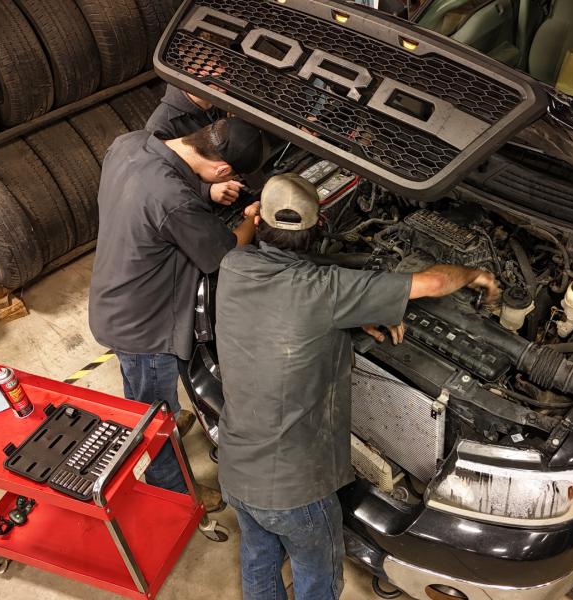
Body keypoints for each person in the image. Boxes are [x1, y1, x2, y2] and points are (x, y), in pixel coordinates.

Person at [214, 174, 500, 598]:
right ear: (318, 226)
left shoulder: (234, 266)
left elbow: (284, 298)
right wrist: (478, 273)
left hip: (236, 471)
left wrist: (350, 313)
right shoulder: (327, 290)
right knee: (319, 576)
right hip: (295, 490)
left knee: (259, 559)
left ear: (259, 223)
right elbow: (435, 282)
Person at [88, 118, 266, 512]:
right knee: (155, 415)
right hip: (145, 327)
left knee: (144, 396)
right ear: (223, 168)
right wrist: (251, 220)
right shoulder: (175, 200)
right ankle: (173, 490)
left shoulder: (130, 142)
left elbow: (159, 193)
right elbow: (225, 253)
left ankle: (154, 420)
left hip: (114, 298)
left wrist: (206, 189)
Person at [146, 85, 244, 208]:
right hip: (206, 201)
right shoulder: (159, 127)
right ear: (190, 70)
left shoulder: (224, 96)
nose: (223, 73)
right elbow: (160, 182)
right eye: (213, 66)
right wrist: (207, 190)